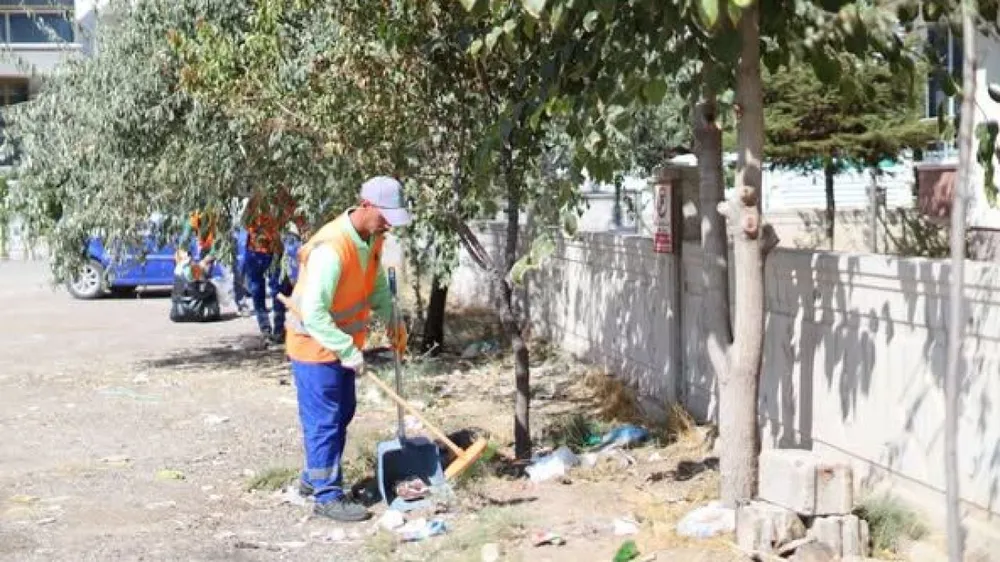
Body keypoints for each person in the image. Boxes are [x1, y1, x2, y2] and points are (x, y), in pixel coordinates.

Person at [284, 176, 410, 522]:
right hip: (313, 347)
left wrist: (393, 320)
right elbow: (314, 314)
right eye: (385, 216)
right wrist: (347, 350)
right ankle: (327, 496)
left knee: (343, 412)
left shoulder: (371, 238)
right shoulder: (332, 249)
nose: (388, 224)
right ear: (366, 205)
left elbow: (376, 286)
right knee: (325, 420)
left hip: (339, 346)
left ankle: (313, 477)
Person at [243, 188, 309, 342]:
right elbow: (245, 222)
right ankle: (266, 328)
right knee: (259, 290)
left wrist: (305, 234)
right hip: (256, 251)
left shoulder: (283, 197)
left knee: (276, 290)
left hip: (274, 251)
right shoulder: (256, 199)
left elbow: (299, 219)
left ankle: (278, 329)